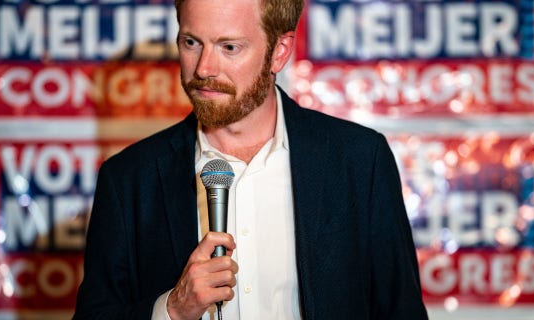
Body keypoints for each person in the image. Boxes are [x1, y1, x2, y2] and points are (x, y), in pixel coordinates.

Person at [73, 0, 428, 319]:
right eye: (191, 42)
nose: (203, 69)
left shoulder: (359, 161)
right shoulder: (129, 178)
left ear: (279, 51)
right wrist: (171, 311)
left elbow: (401, 311)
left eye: (229, 47)